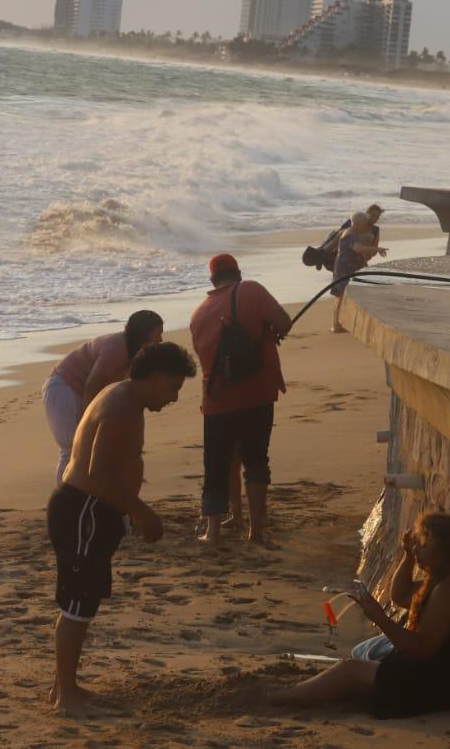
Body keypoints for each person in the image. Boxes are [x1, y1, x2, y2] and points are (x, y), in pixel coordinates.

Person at [47, 341, 196, 716]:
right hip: (84, 509)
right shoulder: (121, 407)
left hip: (91, 510)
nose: (175, 397)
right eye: (174, 387)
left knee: (81, 602)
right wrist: (140, 512)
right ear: (156, 378)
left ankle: (64, 688)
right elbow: (97, 475)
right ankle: (66, 698)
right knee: (78, 606)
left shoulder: (126, 396)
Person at [269, 512, 450, 717]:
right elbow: (400, 596)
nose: (417, 551)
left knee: (350, 669)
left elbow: (420, 647)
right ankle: (298, 693)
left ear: (440, 549)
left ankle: (277, 698)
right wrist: (408, 557)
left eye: (422, 546)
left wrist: (379, 618)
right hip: (441, 677)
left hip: (441, 687)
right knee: (368, 655)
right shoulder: (443, 576)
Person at [189, 254, 292, 546]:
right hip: (257, 393)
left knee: (219, 463)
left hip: (217, 399)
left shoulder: (198, 313)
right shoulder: (251, 290)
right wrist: (270, 332)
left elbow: (206, 360)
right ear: (238, 272)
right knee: (256, 459)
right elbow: (283, 322)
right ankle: (256, 531)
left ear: (212, 280)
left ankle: (216, 530)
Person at [43, 310, 164, 487]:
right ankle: (64, 499)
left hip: (80, 390)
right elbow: (93, 384)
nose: (160, 340)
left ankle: (82, 494)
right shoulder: (117, 347)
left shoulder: (135, 353)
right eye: (158, 334)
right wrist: (87, 422)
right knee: (72, 447)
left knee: (89, 448)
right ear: (145, 333)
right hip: (63, 387)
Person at [330, 212, 382, 334]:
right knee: (341, 296)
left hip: (352, 268)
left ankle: (341, 323)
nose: (366, 227)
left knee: (349, 295)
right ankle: (335, 325)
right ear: (357, 224)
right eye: (364, 224)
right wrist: (376, 249)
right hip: (344, 269)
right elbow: (357, 248)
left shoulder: (355, 233)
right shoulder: (349, 234)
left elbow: (359, 251)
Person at [302, 204, 388, 272]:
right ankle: (322, 253)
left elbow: (373, 252)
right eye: (372, 215)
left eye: (377, 216)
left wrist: (368, 249)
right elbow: (339, 234)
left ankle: (323, 256)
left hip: (361, 254)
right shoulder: (356, 221)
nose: (374, 218)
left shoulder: (375, 230)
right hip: (343, 249)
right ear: (366, 213)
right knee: (341, 233)